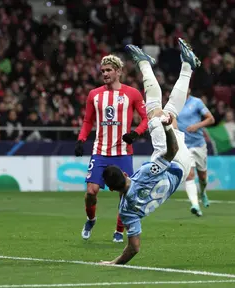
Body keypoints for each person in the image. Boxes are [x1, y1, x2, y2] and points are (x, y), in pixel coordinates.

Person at [100, 38, 201, 265]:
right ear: (126, 174)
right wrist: (166, 128)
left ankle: (186, 65)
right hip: (174, 162)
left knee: (167, 112)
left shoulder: (125, 211)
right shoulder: (143, 176)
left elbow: (134, 248)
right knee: (156, 115)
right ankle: (149, 64)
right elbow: (171, 150)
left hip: (178, 172)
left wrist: (114, 263)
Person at [75, 54, 148, 243]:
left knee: (126, 193)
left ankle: (119, 230)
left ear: (118, 71)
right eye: (103, 71)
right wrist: (81, 139)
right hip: (100, 151)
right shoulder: (94, 95)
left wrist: (136, 133)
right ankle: (91, 219)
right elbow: (88, 120)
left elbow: (147, 118)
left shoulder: (132, 93)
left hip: (123, 152)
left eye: (109, 70)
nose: (105, 74)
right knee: (91, 192)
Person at [177, 89, 215, 216]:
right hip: (184, 146)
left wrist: (197, 126)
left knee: (203, 177)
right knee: (189, 175)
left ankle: (203, 193)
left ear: (189, 89)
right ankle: (195, 205)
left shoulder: (197, 102)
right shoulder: (174, 104)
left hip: (198, 144)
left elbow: (211, 119)